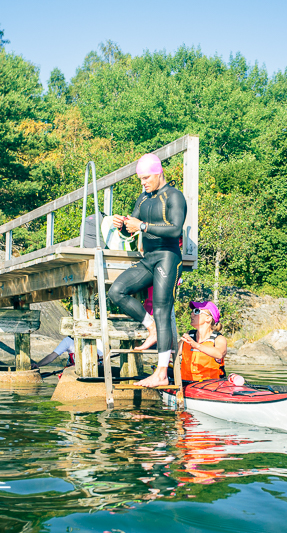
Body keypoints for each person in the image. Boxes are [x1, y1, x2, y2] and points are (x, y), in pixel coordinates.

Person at [107, 153, 187, 388]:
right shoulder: (143, 198)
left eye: (146, 178)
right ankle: (150, 327)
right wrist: (122, 225)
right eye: (140, 179)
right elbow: (131, 230)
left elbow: (175, 229)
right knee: (116, 292)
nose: (143, 183)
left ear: (159, 173)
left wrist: (142, 225)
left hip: (168, 258)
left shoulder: (174, 196)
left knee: (162, 310)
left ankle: (161, 373)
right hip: (148, 259)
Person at [179, 301, 228, 382]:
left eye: (196, 311)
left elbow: (219, 354)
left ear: (208, 318)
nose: (192, 314)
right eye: (192, 311)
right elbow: (173, 352)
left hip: (211, 385)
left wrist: (196, 345)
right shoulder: (189, 335)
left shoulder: (219, 338)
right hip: (185, 383)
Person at [31, 336, 103, 370]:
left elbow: (103, 358)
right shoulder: (67, 341)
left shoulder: (95, 339)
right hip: (74, 369)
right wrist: (38, 365)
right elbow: (52, 356)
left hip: (93, 369)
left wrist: (100, 364)